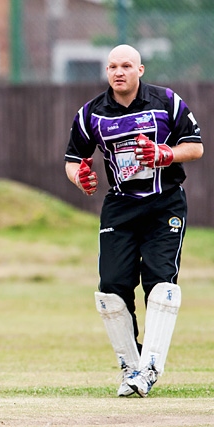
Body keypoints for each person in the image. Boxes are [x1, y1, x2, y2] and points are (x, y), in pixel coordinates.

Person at [64, 45, 203, 398]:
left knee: (160, 284)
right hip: (120, 208)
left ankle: (150, 367)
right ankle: (130, 366)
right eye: (112, 66)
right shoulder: (90, 114)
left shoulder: (166, 102)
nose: (118, 72)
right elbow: (72, 159)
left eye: (126, 65)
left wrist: (165, 154)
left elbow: (195, 145)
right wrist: (80, 177)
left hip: (165, 204)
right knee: (111, 289)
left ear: (140, 70)